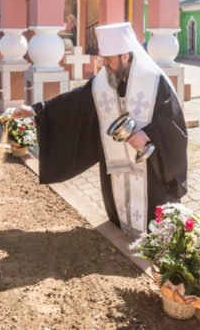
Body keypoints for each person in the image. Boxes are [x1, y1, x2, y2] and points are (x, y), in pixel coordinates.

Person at [11, 22, 187, 239]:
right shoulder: (103, 81)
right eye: (103, 59)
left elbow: (173, 119)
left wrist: (147, 133)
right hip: (115, 165)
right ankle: (122, 236)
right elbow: (73, 101)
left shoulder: (154, 80)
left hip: (149, 165)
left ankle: (155, 241)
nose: (104, 65)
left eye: (109, 60)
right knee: (119, 215)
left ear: (125, 56)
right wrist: (37, 109)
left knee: (153, 220)